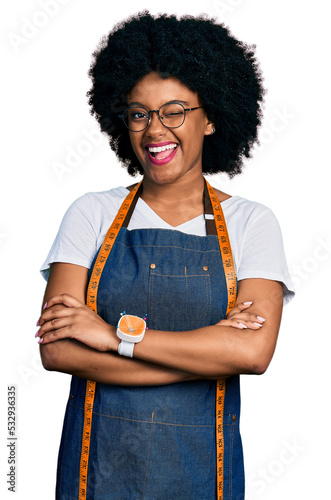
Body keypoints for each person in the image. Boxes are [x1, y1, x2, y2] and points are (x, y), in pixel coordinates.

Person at [37, 11, 294, 500]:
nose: (155, 130)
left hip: (205, 478)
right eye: (140, 113)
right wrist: (210, 353)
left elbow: (252, 353)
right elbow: (57, 349)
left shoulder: (252, 224)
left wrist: (113, 337)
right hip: (95, 477)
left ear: (212, 116)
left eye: (174, 110)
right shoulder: (90, 213)